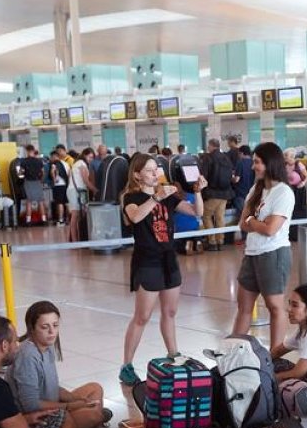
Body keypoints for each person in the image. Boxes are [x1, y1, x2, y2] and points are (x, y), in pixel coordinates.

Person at [116, 154, 207, 387]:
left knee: (170, 312)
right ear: (137, 174)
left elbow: (196, 212)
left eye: (155, 169)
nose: (154, 173)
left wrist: (197, 192)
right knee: (142, 316)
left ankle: (173, 353)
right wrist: (155, 197)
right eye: (148, 170)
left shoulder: (167, 194)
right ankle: (126, 365)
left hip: (168, 258)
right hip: (148, 260)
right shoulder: (131, 197)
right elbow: (135, 217)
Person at [8, 301, 116, 428]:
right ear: (31, 328)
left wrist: (74, 398)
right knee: (93, 416)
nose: (51, 331)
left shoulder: (47, 346)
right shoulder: (27, 356)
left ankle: (94, 425)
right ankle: (93, 423)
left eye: (55, 325)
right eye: (44, 327)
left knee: (95, 388)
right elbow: (30, 404)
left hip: (54, 405)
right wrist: (69, 406)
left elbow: (52, 386)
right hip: (39, 417)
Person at [231, 142, 295, 349]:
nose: (253, 167)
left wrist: (252, 222)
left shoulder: (283, 192)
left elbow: (271, 229)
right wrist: (254, 223)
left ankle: (275, 355)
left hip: (273, 255)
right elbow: (243, 222)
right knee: (244, 307)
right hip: (252, 254)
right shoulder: (256, 189)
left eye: (257, 162)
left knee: (275, 307)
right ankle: (232, 350)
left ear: (269, 163)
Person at [200, 138, 233, 251]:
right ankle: (220, 241)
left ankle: (212, 241)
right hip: (225, 193)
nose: (207, 148)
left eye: (208, 145)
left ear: (211, 146)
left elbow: (203, 175)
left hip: (212, 193)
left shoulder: (208, 157)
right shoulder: (226, 158)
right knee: (220, 217)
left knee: (206, 215)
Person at [69, 148, 96, 242]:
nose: (91, 159)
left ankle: (76, 239)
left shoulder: (76, 163)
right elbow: (86, 181)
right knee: (75, 215)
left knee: (77, 216)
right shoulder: (82, 164)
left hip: (75, 190)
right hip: (78, 192)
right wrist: (95, 190)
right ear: (85, 155)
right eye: (90, 157)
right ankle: (75, 241)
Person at [19, 145, 47, 226]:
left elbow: (20, 173)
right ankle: (44, 220)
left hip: (28, 182)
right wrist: (41, 180)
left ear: (27, 151)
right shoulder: (39, 161)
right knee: (41, 201)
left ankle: (28, 221)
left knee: (29, 201)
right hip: (38, 182)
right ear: (33, 150)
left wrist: (22, 176)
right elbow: (43, 172)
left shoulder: (24, 161)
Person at [50, 149, 70, 227]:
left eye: (51, 157)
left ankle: (61, 220)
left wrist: (54, 180)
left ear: (55, 156)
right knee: (67, 202)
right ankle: (68, 219)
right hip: (66, 185)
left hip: (58, 185)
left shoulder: (54, 164)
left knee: (59, 203)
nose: (51, 158)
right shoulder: (66, 163)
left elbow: (52, 172)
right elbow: (69, 174)